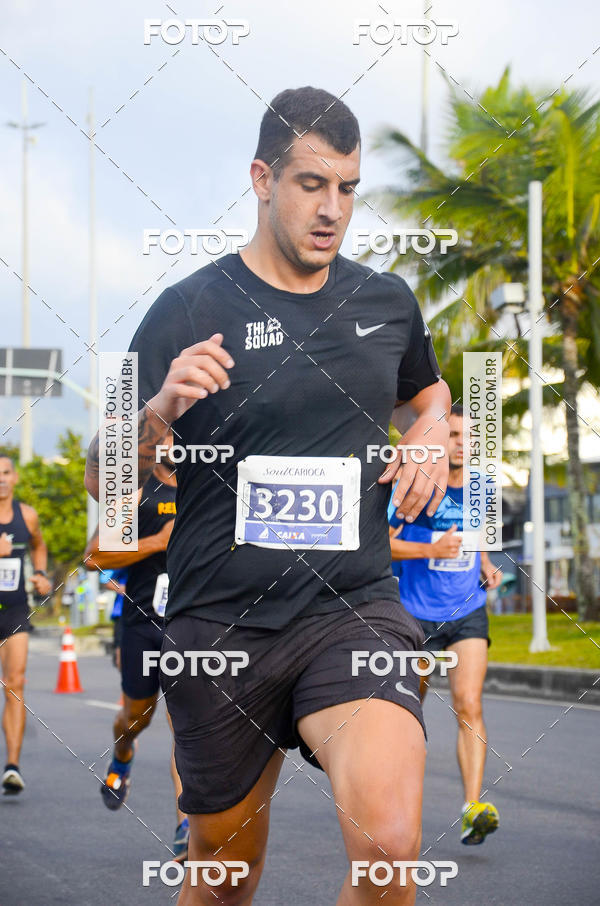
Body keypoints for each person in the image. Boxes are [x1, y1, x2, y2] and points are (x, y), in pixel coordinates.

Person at [86, 86, 451, 905]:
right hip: (222, 622)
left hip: (351, 608)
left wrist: (431, 426)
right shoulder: (189, 306)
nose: (332, 209)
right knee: (223, 875)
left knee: (391, 849)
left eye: (348, 188)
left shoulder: (385, 303)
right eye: (310, 184)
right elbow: (102, 479)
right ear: (261, 178)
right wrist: (157, 411)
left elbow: (428, 396)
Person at [388, 404, 503, 845]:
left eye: (467, 436)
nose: (461, 443)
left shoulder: (482, 488)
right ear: (441, 439)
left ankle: (473, 808)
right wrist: (430, 548)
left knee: (469, 705)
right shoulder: (416, 481)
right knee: (409, 714)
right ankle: (397, 805)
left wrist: (487, 566)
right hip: (415, 614)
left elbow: (478, 542)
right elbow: (384, 545)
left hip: (467, 609)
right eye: (453, 434)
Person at [84, 445, 189, 862]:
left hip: (194, 624)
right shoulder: (136, 492)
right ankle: (123, 753)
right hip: (143, 623)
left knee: (186, 725)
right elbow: (94, 557)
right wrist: (156, 543)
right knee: (135, 718)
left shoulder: (214, 487)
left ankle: (185, 824)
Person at [0, 455, 52, 794]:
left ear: (15, 477)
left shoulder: (27, 515)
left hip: (14, 609)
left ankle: (12, 767)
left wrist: (41, 574)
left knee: (15, 682)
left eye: (6, 473)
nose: (1, 479)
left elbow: (39, 545)